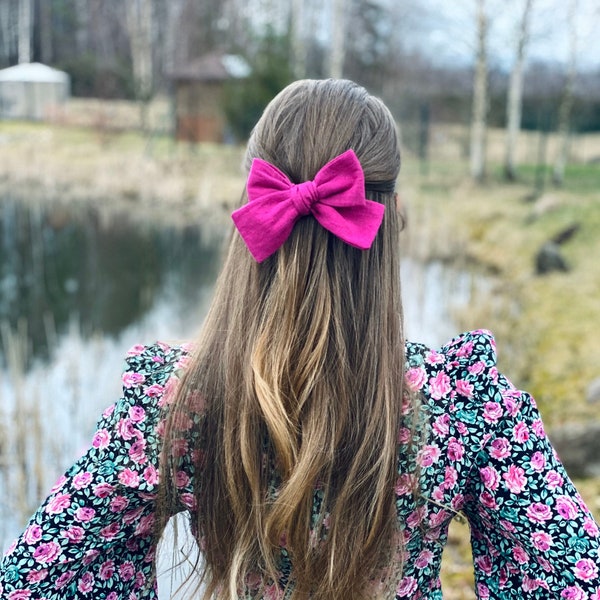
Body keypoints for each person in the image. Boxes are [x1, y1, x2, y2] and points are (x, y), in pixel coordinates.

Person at [0, 78, 598, 600]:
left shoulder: (177, 404)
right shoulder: (464, 407)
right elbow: (574, 580)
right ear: (393, 225)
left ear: (251, 213)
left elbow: (36, 579)